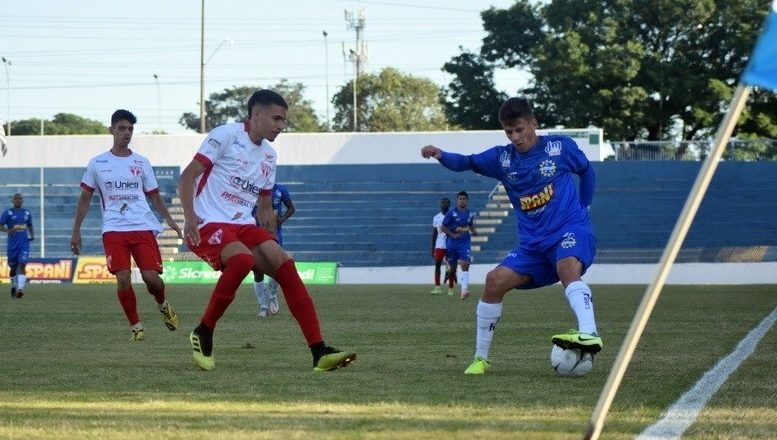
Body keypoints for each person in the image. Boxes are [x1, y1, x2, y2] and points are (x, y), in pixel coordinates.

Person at [421, 96, 602, 375]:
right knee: (494, 281)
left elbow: (586, 171)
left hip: (569, 228)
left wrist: (585, 207)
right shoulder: (502, 159)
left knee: (567, 266)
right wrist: (440, 154)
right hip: (533, 245)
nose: (516, 137)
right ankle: (480, 359)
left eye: (520, 129)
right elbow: (466, 162)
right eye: (509, 132)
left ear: (533, 123)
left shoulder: (560, 148)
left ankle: (589, 333)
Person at [177, 89, 355, 372]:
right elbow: (188, 176)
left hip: (244, 226)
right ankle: (204, 331)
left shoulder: (269, 156)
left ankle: (319, 351)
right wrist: (189, 217)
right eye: (276, 119)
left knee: (285, 267)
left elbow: (263, 207)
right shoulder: (226, 135)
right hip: (208, 222)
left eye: (284, 121)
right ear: (256, 114)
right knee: (242, 260)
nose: (281, 126)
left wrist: (271, 238)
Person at [70, 109, 182, 341]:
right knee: (122, 278)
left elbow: (155, 196)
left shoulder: (141, 162)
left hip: (141, 226)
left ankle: (163, 305)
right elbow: (85, 198)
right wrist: (76, 231)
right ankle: (136, 327)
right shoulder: (97, 163)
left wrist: (170, 221)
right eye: (122, 128)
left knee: (152, 278)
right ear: (111, 130)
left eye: (130, 129)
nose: (126, 133)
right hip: (113, 229)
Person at [253, 183, 296, 317]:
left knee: (277, 268)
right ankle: (263, 306)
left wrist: (282, 218)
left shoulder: (280, 190)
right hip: (255, 235)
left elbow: (291, 208)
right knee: (257, 271)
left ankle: (272, 295)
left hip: (274, 235)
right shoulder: (252, 189)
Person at [441, 191, 477, 300]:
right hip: (452, 242)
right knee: (453, 268)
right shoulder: (451, 213)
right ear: (457, 200)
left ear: (467, 200)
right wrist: (452, 234)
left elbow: (470, 225)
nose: (462, 200)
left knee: (465, 264)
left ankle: (464, 290)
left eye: (464, 198)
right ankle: (449, 269)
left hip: (464, 241)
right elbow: (443, 227)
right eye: (460, 198)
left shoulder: (470, 213)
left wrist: (474, 231)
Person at [0, 193, 34, 298]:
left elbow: (30, 224)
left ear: (22, 200)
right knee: (13, 269)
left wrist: (32, 235)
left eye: (20, 198)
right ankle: (13, 285)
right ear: (12, 201)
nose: (18, 200)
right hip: (12, 245)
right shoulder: (8, 213)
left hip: (24, 243)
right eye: (16, 198)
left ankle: (20, 289)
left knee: (22, 265)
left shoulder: (27, 213)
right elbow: (0, 225)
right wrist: (8, 230)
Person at [430, 197, 452, 295]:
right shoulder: (436, 217)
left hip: (450, 245)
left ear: (449, 204)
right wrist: (432, 248)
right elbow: (434, 233)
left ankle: (450, 288)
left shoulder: (452, 216)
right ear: (440, 204)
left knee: (451, 266)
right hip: (439, 246)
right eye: (443, 202)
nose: (444, 204)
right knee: (437, 266)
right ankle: (437, 287)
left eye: (446, 202)